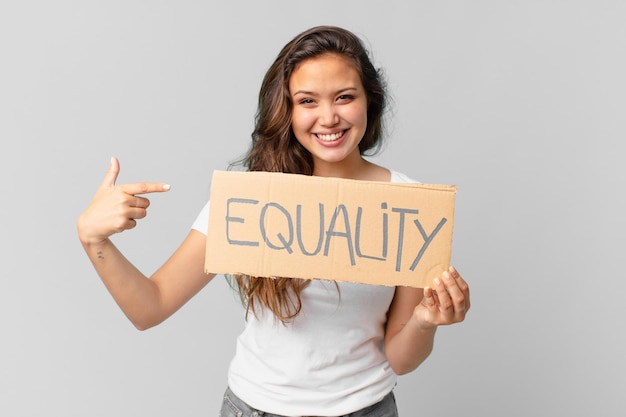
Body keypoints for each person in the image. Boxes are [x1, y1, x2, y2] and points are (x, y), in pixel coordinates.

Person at [77, 25, 470, 417]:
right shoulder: (251, 200)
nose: (329, 117)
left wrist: (424, 320)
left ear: (370, 101)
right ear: (287, 110)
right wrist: (94, 239)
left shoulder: (408, 205)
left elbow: (400, 359)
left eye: (345, 97)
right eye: (307, 101)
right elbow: (151, 307)